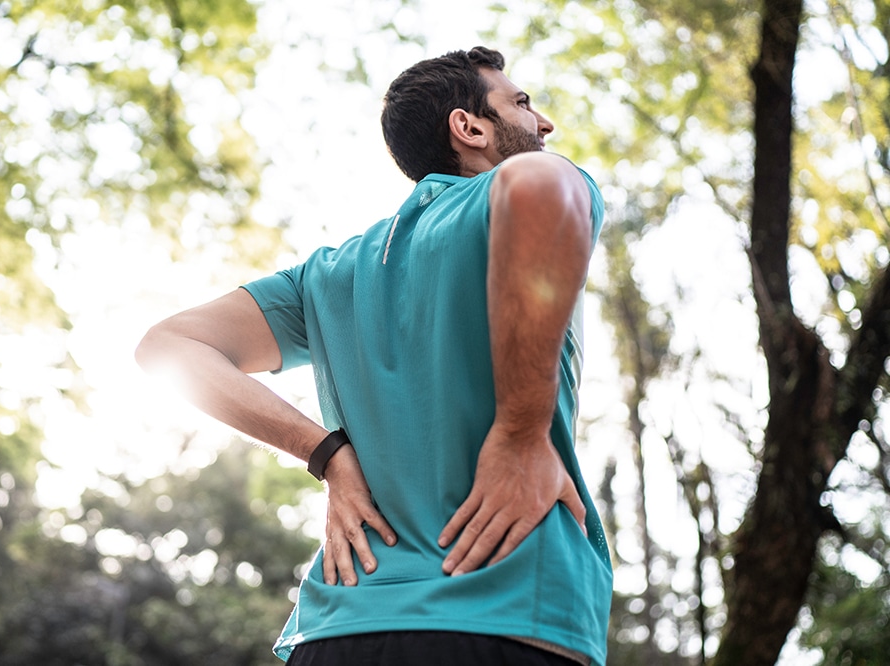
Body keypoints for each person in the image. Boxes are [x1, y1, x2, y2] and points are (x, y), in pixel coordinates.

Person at [135, 46, 613, 665]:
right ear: (468, 128)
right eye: (521, 104)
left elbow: (168, 347)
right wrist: (521, 436)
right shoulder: (526, 188)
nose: (543, 123)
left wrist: (326, 455)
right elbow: (547, 183)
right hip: (505, 608)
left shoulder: (328, 274)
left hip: (338, 630)